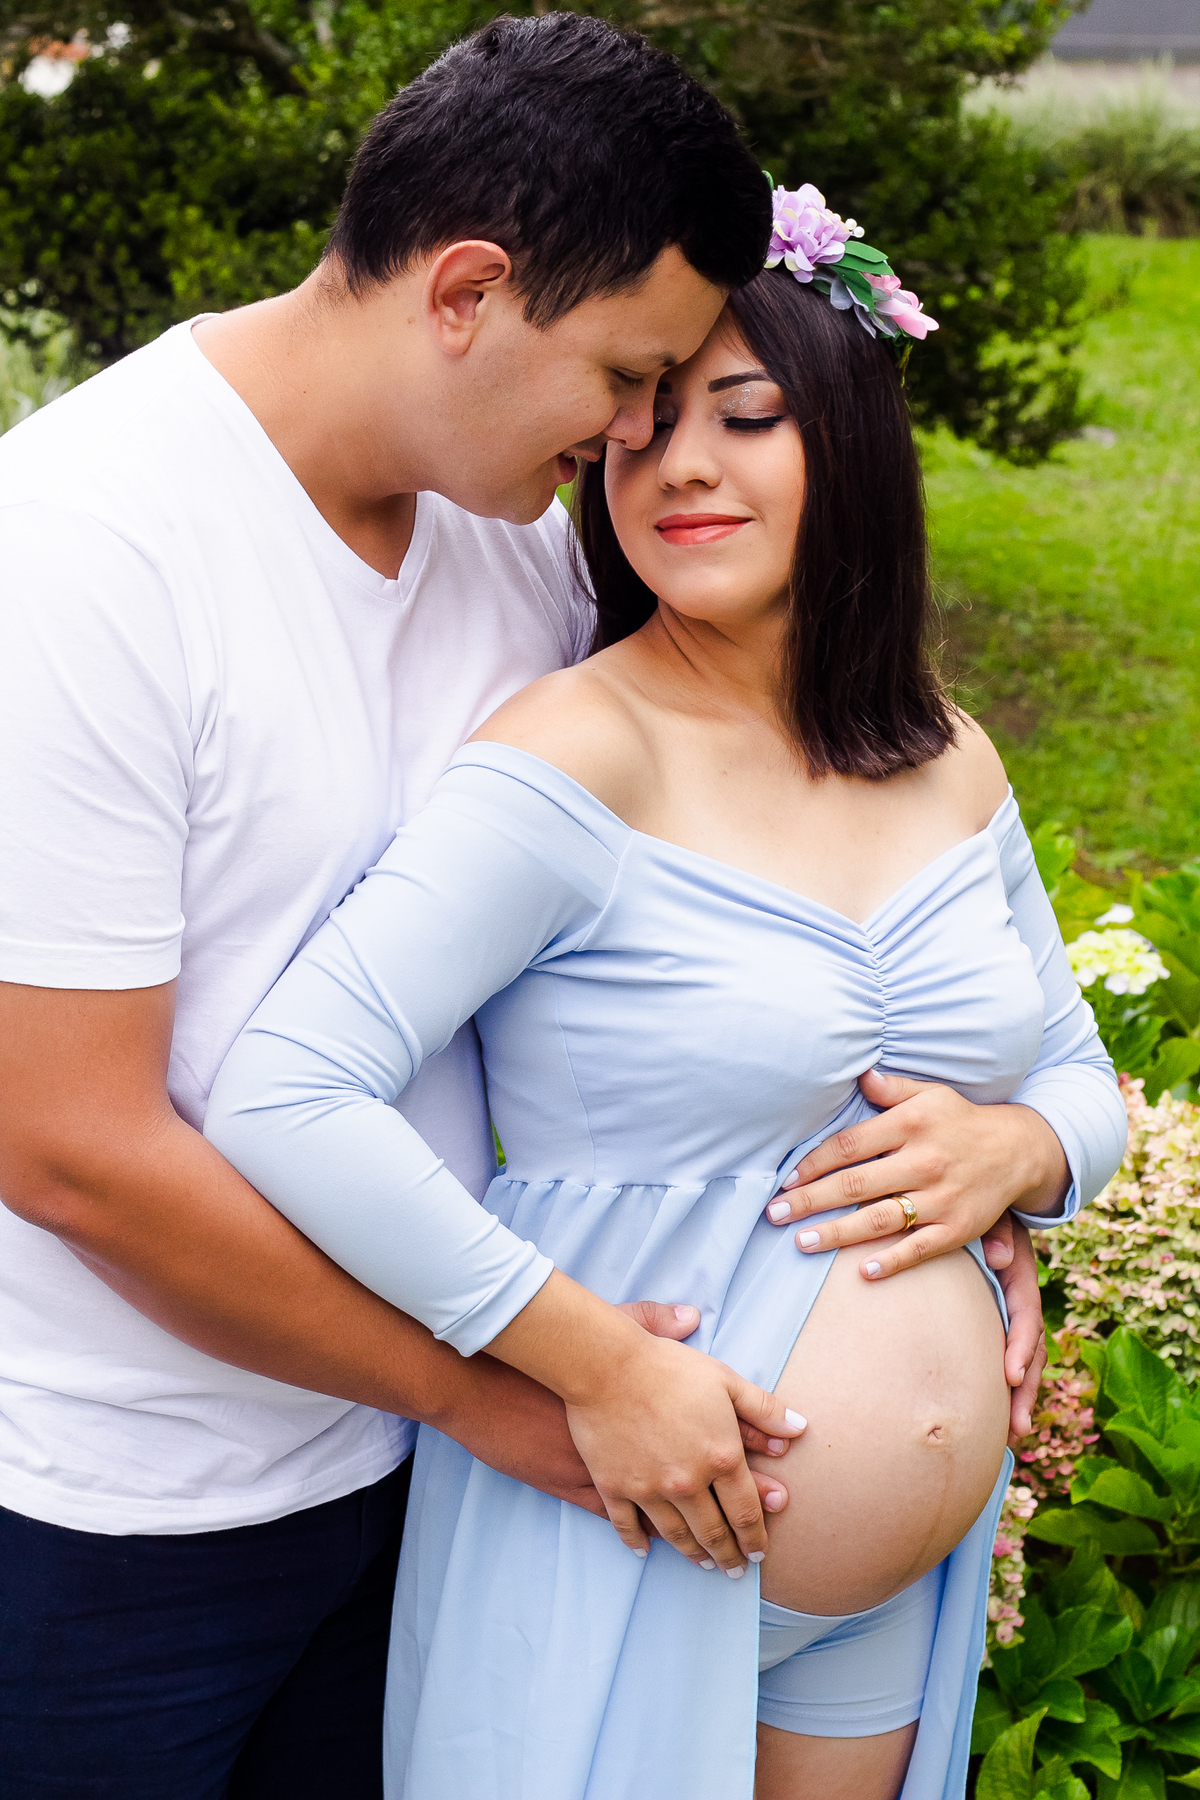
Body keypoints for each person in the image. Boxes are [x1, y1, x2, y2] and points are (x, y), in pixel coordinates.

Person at [0, 15, 1046, 1794]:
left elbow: (679, 918)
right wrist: (538, 1392)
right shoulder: (82, 554)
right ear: (469, 291)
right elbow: (67, 1141)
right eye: (632, 376)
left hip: (425, 1477)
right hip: (131, 1512)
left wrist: (972, 1182)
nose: (646, 438)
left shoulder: (503, 519)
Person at [204, 185, 1128, 1800]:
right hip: (623, 1536)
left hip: (879, 1604)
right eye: (637, 429)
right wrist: (575, 1359)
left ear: (847, 442)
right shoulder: (579, 751)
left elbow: (1069, 1069)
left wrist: (1022, 1160)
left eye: (747, 417)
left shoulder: (945, 751)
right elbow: (287, 1087)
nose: (679, 465)